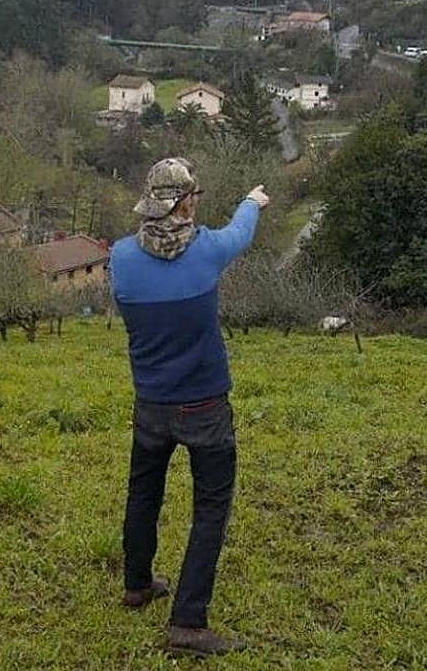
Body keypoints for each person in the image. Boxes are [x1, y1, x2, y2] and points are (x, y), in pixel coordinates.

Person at [108, 157, 269, 658]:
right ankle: (188, 622)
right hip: (204, 406)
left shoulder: (118, 257)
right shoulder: (208, 252)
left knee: (144, 492)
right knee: (210, 508)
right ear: (186, 202)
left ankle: (137, 583)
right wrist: (252, 200)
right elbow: (240, 233)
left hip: (151, 404)